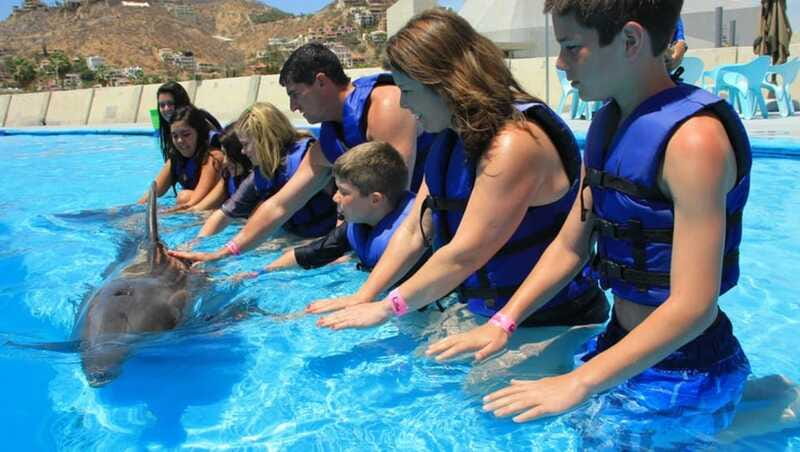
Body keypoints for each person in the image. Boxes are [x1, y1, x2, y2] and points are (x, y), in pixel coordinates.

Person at [426, 0, 799, 446]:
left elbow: (694, 307)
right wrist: (503, 322)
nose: (560, 63)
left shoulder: (694, 142)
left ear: (629, 41)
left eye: (571, 47)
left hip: (686, 358)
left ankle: (776, 408)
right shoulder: (608, 123)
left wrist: (579, 383)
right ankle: (754, 403)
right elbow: (570, 247)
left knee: (611, 439)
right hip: (621, 340)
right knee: (513, 406)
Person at [309, 9, 608, 376]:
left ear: (443, 84)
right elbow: (414, 230)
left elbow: (465, 254)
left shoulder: (514, 144)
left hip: (552, 321)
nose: (404, 105)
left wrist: (388, 307)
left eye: (408, 91)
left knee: (475, 403)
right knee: (399, 370)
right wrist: (365, 296)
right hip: (487, 314)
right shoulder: (451, 141)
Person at [169, 43, 432, 263]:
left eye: (295, 94)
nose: (293, 107)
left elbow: (395, 199)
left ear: (320, 82)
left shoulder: (385, 107)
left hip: (423, 221)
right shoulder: (330, 141)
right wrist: (222, 253)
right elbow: (280, 204)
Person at [232, 141, 424, 280]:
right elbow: (311, 253)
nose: (334, 197)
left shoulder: (412, 237)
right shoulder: (357, 227)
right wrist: (260, 273)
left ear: (375, 199)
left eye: (343, 192)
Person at [193, 102, 338, 239]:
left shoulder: (310, 160)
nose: (242, 151)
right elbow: (224, 214)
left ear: (264, 140)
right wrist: (196, 244)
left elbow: (347, 206)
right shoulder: (263, 173)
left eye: (245, 144)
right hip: (298, 238)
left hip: (329, 240)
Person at [139, 82, 222, 204]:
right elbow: (155, 191)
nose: (166, 109)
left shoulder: (212, 152)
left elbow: (193, 202)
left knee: (184, 197)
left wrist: (165, 214)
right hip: (195, 191)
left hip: (212, 197)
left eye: (170, 104)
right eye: (162, 105)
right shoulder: (176, 151)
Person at [173, 123, 253, 213]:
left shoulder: (254, 180)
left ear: (242, 154)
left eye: (230, 155)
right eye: (224, 154)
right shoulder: (227, 176)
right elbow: (200, 207)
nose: (225, 162)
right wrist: (171, 215)